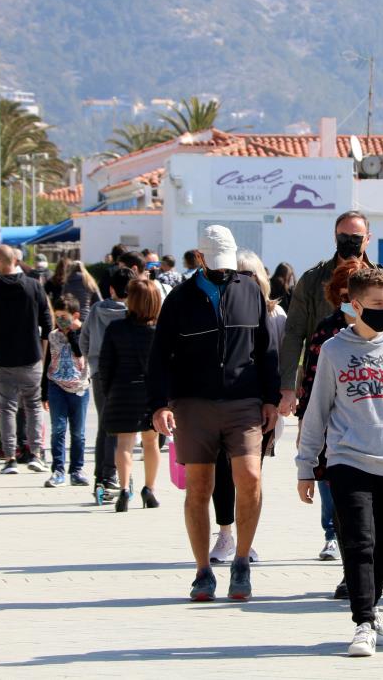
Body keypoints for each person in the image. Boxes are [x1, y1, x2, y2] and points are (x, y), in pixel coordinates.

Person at [296, 267, 383, 657]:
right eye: (376, 305)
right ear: (354, 306)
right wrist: (306, 466)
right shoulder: (334, 350)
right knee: (358, 541)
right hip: (346, 460)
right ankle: (363, 621)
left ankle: (372, 611)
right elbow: (317, 411)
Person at [148, 225, 279, 602]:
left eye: (228, 263)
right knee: (199, 487)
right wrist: (158, 404)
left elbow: (267, 348)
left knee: (250, 477)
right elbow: (159, 355)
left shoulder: (250, 290)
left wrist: (271, 397)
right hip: (193, 403)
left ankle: (241, 561)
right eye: (214, 263)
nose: (223, 270)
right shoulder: (179, 298)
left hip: (244, 401)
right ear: (199, 257)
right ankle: (203, 570)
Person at [293, 258, 383, 598]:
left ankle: (370, 589)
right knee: (350, 524)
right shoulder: (328, 337)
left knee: (378, 537)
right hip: (340, 445)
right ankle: (358, 594)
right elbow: (315, 390)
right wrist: (305, 455)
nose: (381, 310)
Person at [278, 210, 383, 418]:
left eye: (356, 238)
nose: (349, 242)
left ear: (368, 239)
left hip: (373, 389)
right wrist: (288, 388)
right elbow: (293, 334)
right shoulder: (312, 281)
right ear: (335, 237)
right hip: (321, 386)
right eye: (343, 237)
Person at [208, 249, 287, 562]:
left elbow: (282, 357)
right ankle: (225, 534)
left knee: (251, 475)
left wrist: (281, 398)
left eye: (251, 274)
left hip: (261, 407)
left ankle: (245, 538)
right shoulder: (219, 312)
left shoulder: (275, 316)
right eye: (238, 274)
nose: (245, 281)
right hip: (222, 405)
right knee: (222, 472)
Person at [0, 245, 52, 475]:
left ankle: (10, 457)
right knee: (33, 406)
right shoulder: (33, 286)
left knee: (7, 408)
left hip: (2, 357)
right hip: (31, 355)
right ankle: (36, 454)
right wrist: (42, 349)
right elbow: (47, 322)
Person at [101, 279, 162, 512]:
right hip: (150, 394)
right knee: (151, 442)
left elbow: (106, 365)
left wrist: (110, 393)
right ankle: (149, 489)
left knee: (124, 444)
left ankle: (124, 489)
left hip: (122, 391)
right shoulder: (159, 331)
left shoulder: (116, 329)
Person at [80, 267, 135, 498]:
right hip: (125, 375)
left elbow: (83, 340)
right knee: (122, 428)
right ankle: (114, 474)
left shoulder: (95, 310)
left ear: (110, 289)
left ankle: (101, 477)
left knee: (105, 425)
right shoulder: (132, 314)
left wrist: (92, 361)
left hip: (99, 374)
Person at [40, 295, 90, 487]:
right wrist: (44, 392)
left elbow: (79, 352)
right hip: (56, 386)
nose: (60, 320)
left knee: (78, 433)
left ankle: (76, 470)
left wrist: (72, 333)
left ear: (75, 315)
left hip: (79, 388)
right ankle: (58, 470)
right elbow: (47, 363)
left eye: (64, 317)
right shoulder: (53, 336)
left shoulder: (84, 332)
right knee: (58, 429)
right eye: (57, 316)